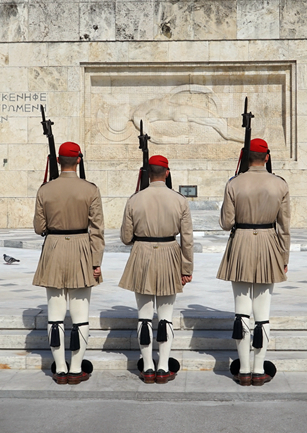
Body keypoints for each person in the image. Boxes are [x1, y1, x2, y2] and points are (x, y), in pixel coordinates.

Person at [217, 138, 290, 386]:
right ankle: (259, 370)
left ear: (246, 158)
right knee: (263, 315)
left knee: (241, 313)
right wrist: (284, 257)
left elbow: (226, 223)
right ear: (266, 157)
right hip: (269, 245)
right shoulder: (279, 184)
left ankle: (244, 369)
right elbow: (284, 227)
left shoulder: (234, 183)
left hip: (241, 244)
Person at [33, 141, 104, 384]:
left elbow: (38, 228)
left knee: (55, 315)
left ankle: (60, 368)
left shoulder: (45, 190)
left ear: (57, 161)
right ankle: (75, 369)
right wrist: (96, 261)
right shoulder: (90, 189)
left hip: (53, 249)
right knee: (80, 315)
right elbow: (97, 229)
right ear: (78, 160)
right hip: (81, 249)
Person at [119, 155, 194, 384]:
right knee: (166, 317)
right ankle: (163, 367)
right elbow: (187, 239)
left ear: (147, 174)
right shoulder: (180, 200)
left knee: (143, 317)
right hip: (170, 253)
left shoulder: (135, 199)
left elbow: (125, 237)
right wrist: (187, 267)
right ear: (167, 173)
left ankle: (148, 367)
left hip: (142, 253)